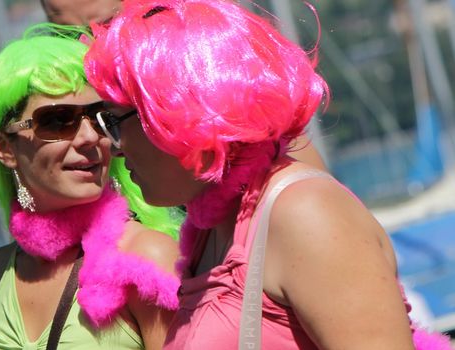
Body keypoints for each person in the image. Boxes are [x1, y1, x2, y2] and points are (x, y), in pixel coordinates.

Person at [83, 0, 452, 349]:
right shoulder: (211, 230)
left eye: (114, 121)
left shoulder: (301, 212)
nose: (114, 146)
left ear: (175, 113)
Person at [0, 25, 181, 349]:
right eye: (58, 120)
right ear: (6, 148)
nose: (90, 137)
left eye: (99, 117)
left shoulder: (146, 258)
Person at [39, 0, 328, 171]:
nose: (93, 49)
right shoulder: (70, 125)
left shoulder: (235, 112)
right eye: (69, 37)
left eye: (110, 25)